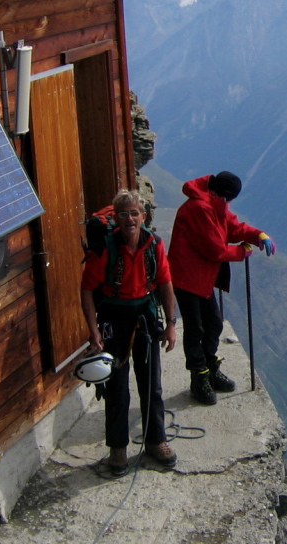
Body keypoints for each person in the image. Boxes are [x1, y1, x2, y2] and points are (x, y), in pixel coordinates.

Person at [80, 189, 179, 476]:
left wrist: (171, 323)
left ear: (143, 217)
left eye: (134, 213)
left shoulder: (154, 245)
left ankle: (155, 440)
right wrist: (93, 330)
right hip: (114, 318)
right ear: (116, 218)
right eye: (123, 214)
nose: (129, 219)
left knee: (152, 384)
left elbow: (165, 282)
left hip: (146, 317)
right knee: (116, 388)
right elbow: (87, 290)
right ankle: (118, 448)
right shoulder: (105, 248)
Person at [168, 171, 275, 405]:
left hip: (201, 277)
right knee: (196, 329)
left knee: (213, 323)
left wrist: (258, 235)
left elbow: (232, 226)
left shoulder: (213, 203)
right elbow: (214, 249)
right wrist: (242, 251)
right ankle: (199, 377)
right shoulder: (199, 208)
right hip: (187, 278)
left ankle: (209, 367)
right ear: (224, 195)